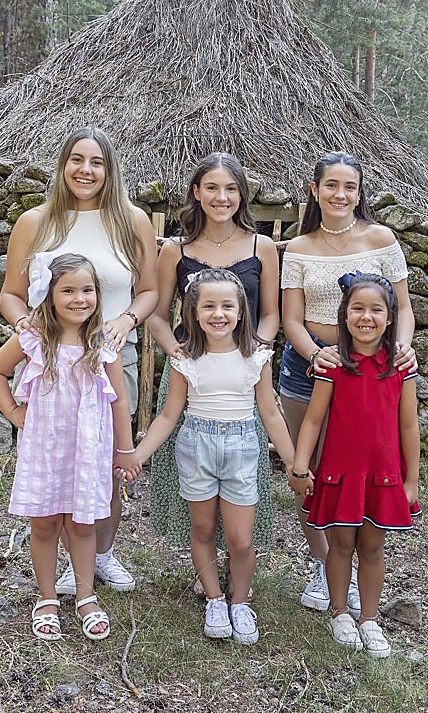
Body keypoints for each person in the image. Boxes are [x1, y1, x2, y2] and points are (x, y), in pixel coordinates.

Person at [0, 127, 158, 594]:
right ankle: (62, 557)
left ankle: (99, 554)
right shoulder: (35, 221)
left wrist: (127, 320)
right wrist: (23, 324)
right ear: (62, 165)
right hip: (52, 361)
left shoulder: (131, 221)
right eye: (76, 160)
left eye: (97, 162)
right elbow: (11, 294)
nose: (86, 171)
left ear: (110, 169)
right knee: (60, 461)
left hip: (109, 356)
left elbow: (148, 290)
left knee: (107, 461)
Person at [120, 269, 298, 645]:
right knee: (201, 530)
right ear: (194, 312)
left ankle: (239, 602)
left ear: (240, 310)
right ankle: (214, 598)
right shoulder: (185, 360)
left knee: (241, 539)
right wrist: (138, 455)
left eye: (227, 306)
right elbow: (169, 415)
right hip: (196, 447)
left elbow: (269, 413)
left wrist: (295, 462)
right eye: (209, 306)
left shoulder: (256, 357)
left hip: (242, 450)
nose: (219, 314)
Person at [279, 151, 416, 614]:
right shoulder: (298, 248)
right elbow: (290, 319)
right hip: (309, 367)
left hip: (375, 369)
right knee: (312, 475)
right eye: (331, 185)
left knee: (360, 466)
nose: (340, 195)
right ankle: (324, 565)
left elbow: (402, 307)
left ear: (360, 193)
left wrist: (399, 348)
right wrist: (321, 356)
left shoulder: (381, 239)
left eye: (350, 187)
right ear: (314, 191)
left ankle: (361, 573)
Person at [0, 252, 137, 640]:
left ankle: (85, 598)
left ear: (98, 295)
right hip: (44, 448)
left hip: (89, 449)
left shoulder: (103, 342)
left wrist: (125, 449)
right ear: (50, 296)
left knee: (83, 523)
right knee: (46, 522)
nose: (78, 299)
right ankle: (47, 597)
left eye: (87, 290)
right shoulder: (34, 339)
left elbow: (119, 399)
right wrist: (16, 414)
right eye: (67, 290)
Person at [146, 153, 280, 556]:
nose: (222, 197)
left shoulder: (263, 247)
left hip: (243, 377)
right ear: (196, 193)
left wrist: (256, 349)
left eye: (231, 189)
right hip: (191, 374)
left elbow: (271, 314)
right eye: (212, 188)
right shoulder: (175, 249)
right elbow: (155, 316)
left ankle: (239, 559)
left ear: (241, 194)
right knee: (193, 467)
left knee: (242, 470)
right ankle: (203, 565)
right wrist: (178, 352)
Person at [288, 273, 421, 658]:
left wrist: (411, 479)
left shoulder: (400, 366)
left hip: (383, 475)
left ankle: (369, 618)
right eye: (357, 309)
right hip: (340, 472)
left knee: (374, 546)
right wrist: (299, 465)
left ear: (390, 317)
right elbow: (312, 420)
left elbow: (409, 425)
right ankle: (340, 612)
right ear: (344, 315)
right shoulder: (333, 365)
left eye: (376, 309)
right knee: (341, 544)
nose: (366, 317)